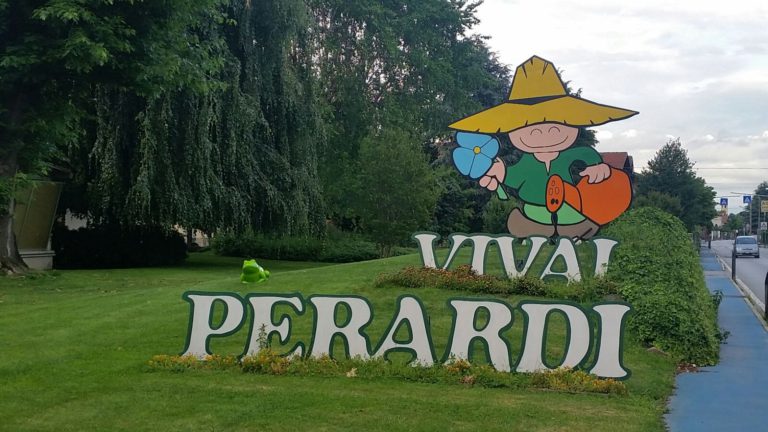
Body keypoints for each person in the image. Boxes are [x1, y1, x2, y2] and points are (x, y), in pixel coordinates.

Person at [449, 55, 638, 239]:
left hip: (569, 209)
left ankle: (575, 231)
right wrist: (501, 173)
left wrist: (598, 166)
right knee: (524, 223)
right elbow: (515, 177)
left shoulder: (567, 156)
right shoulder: (526, 162)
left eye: (556, 125)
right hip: (535, 212)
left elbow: (585, 153)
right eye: (529, 128)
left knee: (577, 222)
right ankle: (536, 234)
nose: (542, 134)